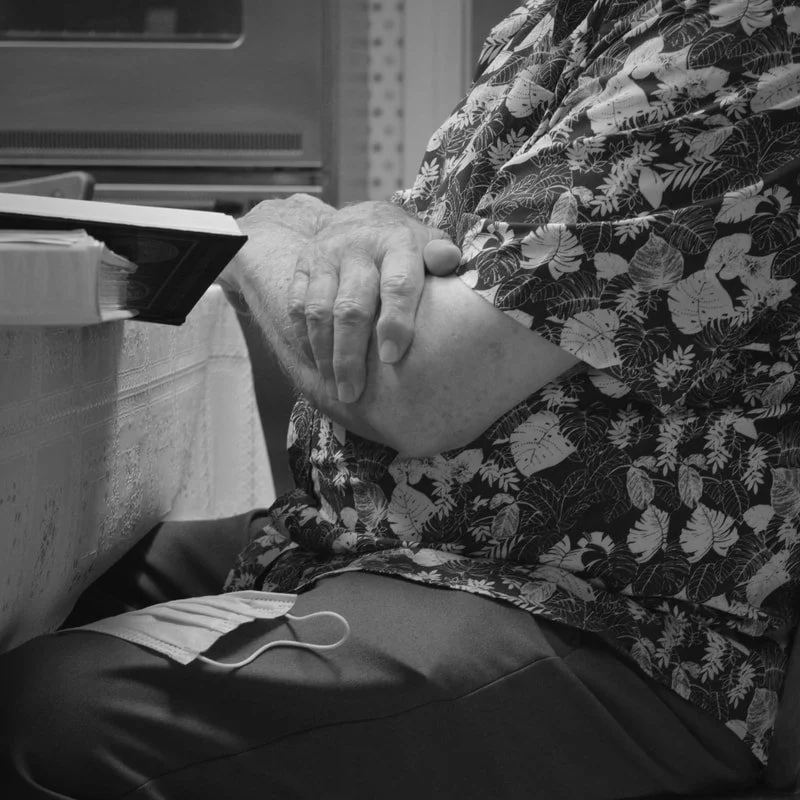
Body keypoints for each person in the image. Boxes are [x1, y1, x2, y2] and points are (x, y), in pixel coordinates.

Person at [2, 0, 799, 797]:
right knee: (43, 591)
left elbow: (411, 393)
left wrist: (253, 236)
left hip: (598, 616)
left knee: (53, 714)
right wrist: (370, 220)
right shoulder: (558, 23)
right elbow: (433, 258)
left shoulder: (733, 41)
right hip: (369, 538)